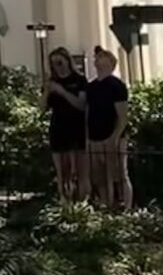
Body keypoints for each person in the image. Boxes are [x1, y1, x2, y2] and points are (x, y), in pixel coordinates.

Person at [86, 47, 132, 210]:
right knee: (99, 175)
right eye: (97, 58)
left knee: (119, 173)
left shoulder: (117, 86)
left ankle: (125, 206)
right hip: (94, 137)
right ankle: (106, 204)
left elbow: (122, 115)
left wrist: (115, 137)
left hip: (114, 137)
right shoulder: (91, 87)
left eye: (103, 57)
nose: (98, 60)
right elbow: (87, 112)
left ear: (111, 63)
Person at [43, 48, 89, 201]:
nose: (58, 67)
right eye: (54, 64)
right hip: (58, 127)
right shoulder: (53, 83)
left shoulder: (79, 80)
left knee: (78, 169)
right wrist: (47, 92)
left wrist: (62, 92)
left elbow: (81, 105)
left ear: (68, 61)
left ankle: (81, 201)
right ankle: (64, 200)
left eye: (60, 62)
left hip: (76, 128)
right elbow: (42, 108)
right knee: (62, 171)